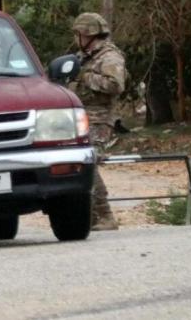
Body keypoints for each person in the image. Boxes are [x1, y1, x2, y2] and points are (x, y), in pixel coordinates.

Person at [70, 13, 127, 231]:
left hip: (100, 118)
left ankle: (105, 215)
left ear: (87, 34)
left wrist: (85, 76)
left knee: (88, 161)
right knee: (77, 161)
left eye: (78, 34)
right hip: (79, 117)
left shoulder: (110, 57)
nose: (76, 39)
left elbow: (115, 85)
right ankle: (91, 216)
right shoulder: (83, 56)